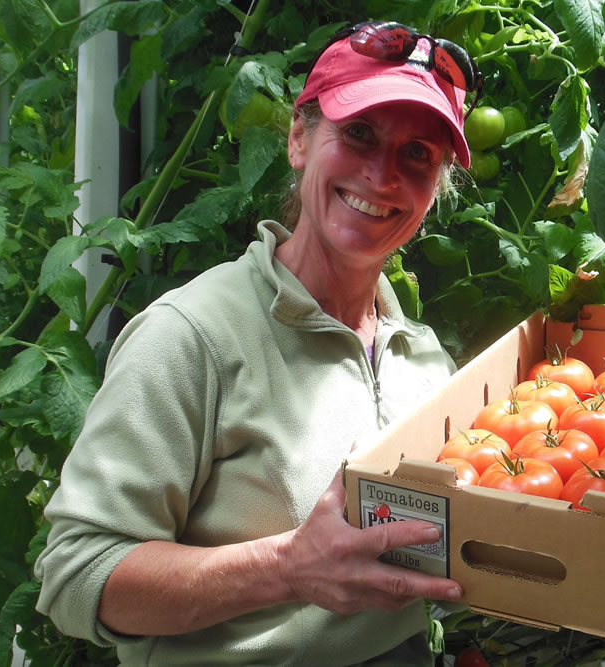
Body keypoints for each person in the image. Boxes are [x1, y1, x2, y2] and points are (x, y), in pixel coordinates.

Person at [35, 21, 482, 666]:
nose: (383, 175)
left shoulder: (422, 356)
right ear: (300, 138)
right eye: (358, 134)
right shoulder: (191, 338)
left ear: (436, 186)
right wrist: (287, 567)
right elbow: (76, 575)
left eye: (418, 154)